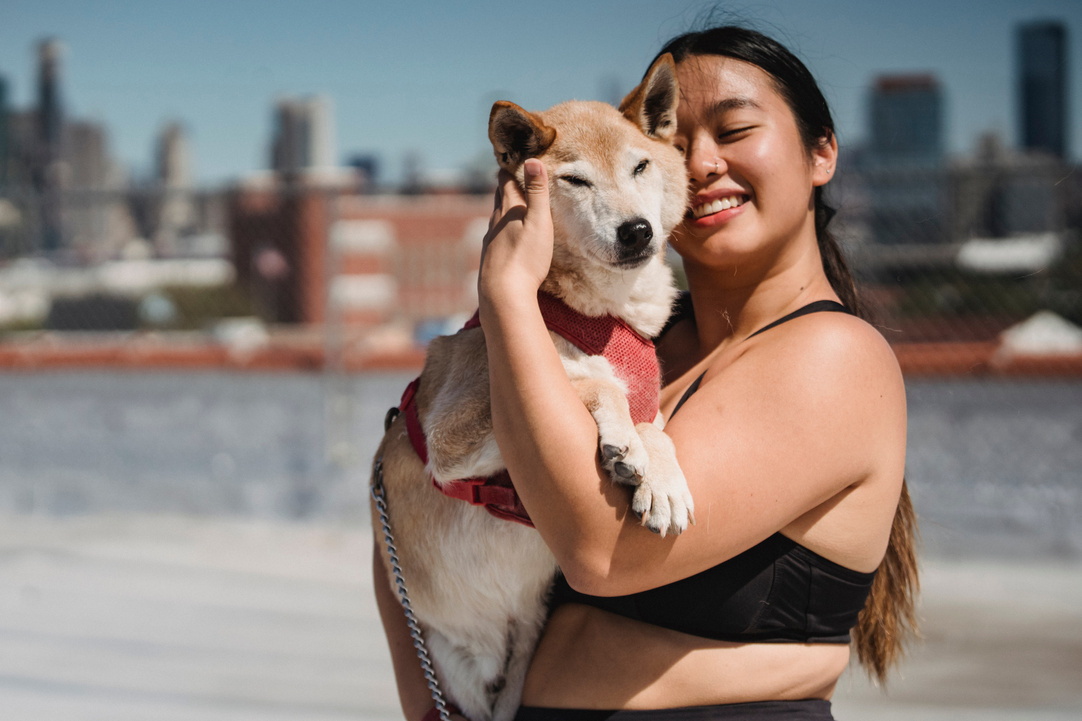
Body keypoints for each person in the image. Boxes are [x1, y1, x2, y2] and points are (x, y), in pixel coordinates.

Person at [378, 24, 918, 721]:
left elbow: (600, 552)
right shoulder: (634, 337)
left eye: (735, 129)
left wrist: (508, 295)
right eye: (672, 136)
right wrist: (427, 707)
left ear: (822, 153)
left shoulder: (830, 357)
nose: (698, 162)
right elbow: (396, 501)